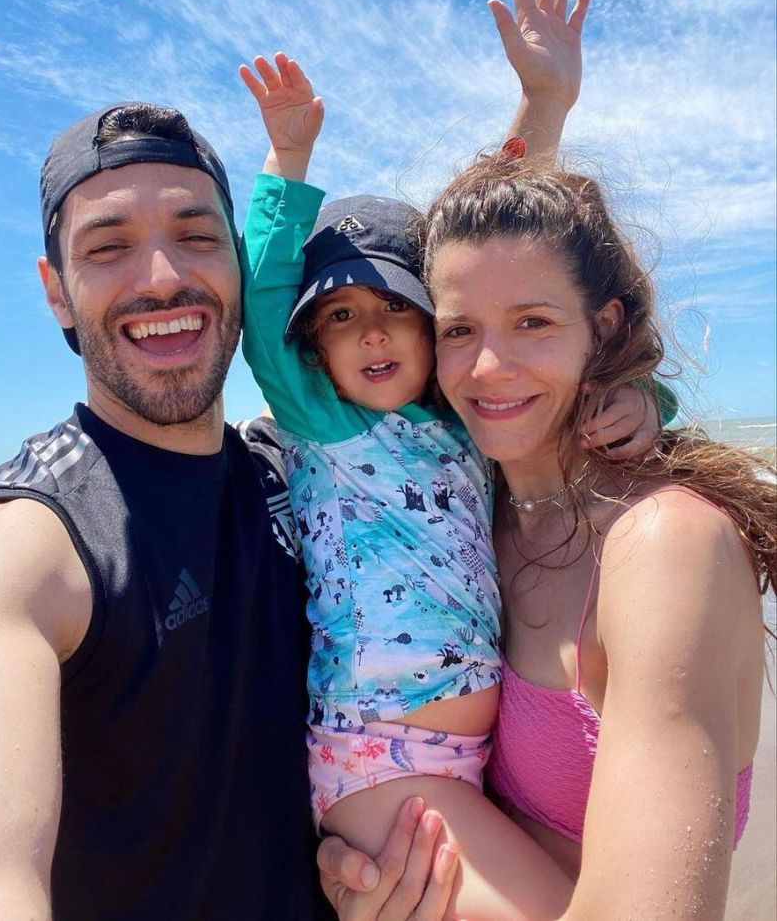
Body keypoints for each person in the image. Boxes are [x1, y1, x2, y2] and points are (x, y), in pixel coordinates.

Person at [238, 0, 669, 919]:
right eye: (339, 316)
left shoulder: (465, 425)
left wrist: (649, 407)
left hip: (465, 763)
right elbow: (262, 306)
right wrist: (286, 164)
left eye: (395, 309)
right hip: (376, 763)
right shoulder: (328, 426)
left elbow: (503, 257)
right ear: (313, 345)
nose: (371, 332)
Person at [0, 104, 332, 919]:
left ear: (238, 263)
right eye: (108, 247)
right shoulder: (10, 545)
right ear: (57, 291)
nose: (161, 276)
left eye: (197, 235)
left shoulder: (296, 473)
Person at [322, 147, 775, 919]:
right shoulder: (470, 521)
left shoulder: (663, 545)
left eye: (532, 322)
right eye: (459, 329)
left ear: (603, 328)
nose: (488, 365)